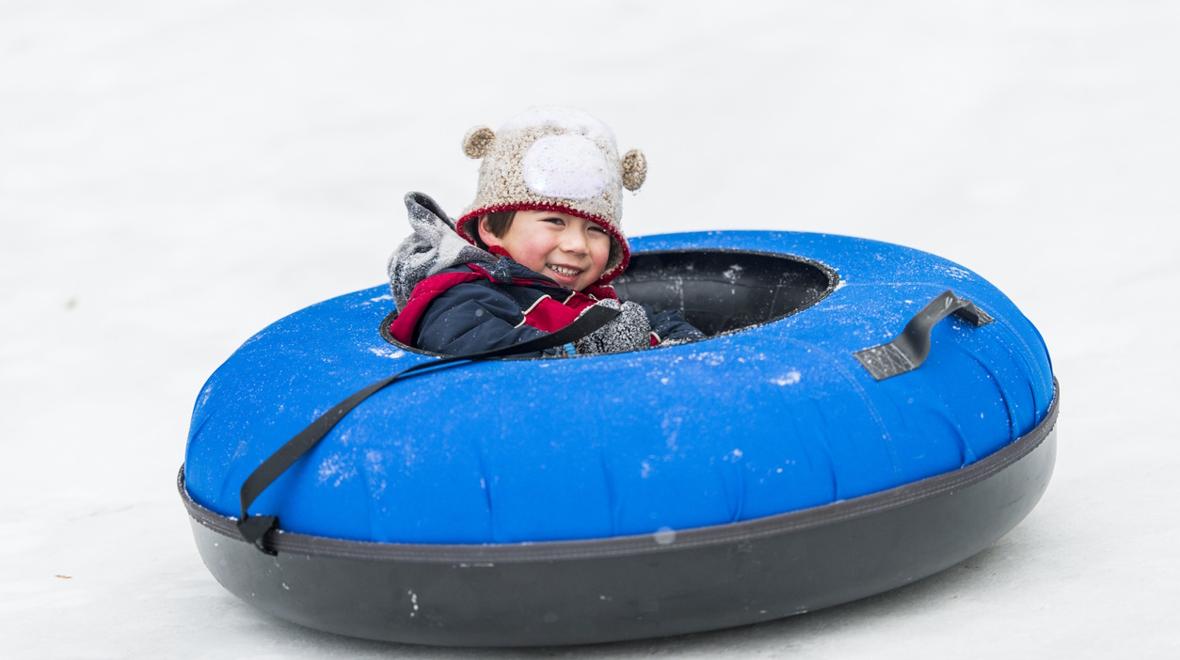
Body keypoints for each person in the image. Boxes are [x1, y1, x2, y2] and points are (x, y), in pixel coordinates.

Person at [387, 107, 702, 357]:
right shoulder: (462, 297)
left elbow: (669, 326)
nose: (577, 244)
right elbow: (480, 352)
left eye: (595, 229)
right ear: (490, 228)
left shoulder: (586, 298)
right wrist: (584, 350)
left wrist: (654, 341)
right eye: (555, 221)